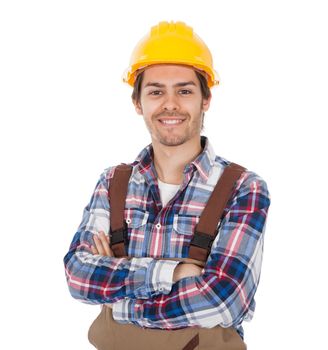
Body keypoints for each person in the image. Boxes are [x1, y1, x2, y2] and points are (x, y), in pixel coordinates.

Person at [64, 21, 271, 350]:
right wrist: (174, 274)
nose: (170, 104)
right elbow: (78, 276)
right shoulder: (112, 183)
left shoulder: (243, 188)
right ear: (138, 103)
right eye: (156, 91)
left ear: (205, 100)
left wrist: (120, 289)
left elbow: (220, 300)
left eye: (185, 90)